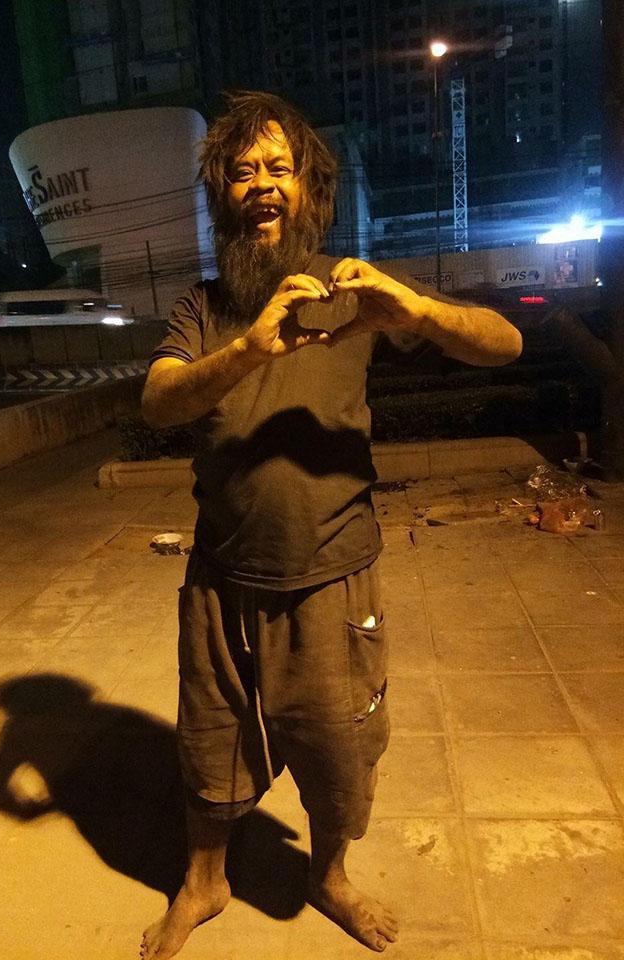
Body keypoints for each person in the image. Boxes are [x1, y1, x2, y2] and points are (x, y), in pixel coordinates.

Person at [139, 91, 522, 959]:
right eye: (243, 172)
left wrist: (415, 311)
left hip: (334, 575)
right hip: (222, 578)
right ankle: (204, 881)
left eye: (279, 168)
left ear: (310, 188)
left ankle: (329, 876)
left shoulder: (355, 290)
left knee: (341, 744)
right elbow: (158, 400)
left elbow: (503, 342)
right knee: (210, 739)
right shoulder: (203, 307)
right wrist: (247, 350)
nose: (261, 185)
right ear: (223, 197)